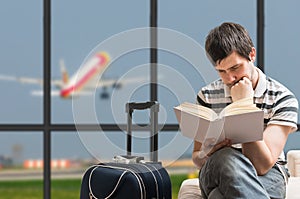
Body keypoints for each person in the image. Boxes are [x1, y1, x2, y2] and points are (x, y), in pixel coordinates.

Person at [191, 22, 298, 198]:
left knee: (218, 195)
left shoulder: (282, 98)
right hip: (216, 167)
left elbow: (262, 165)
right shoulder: (207, 96)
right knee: (226, 157)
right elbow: (197, 157)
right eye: (221, 71)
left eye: (235, 68)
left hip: (268, 174)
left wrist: (244, 106)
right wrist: (207, 152)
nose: (229, 78)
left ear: (252, 54)